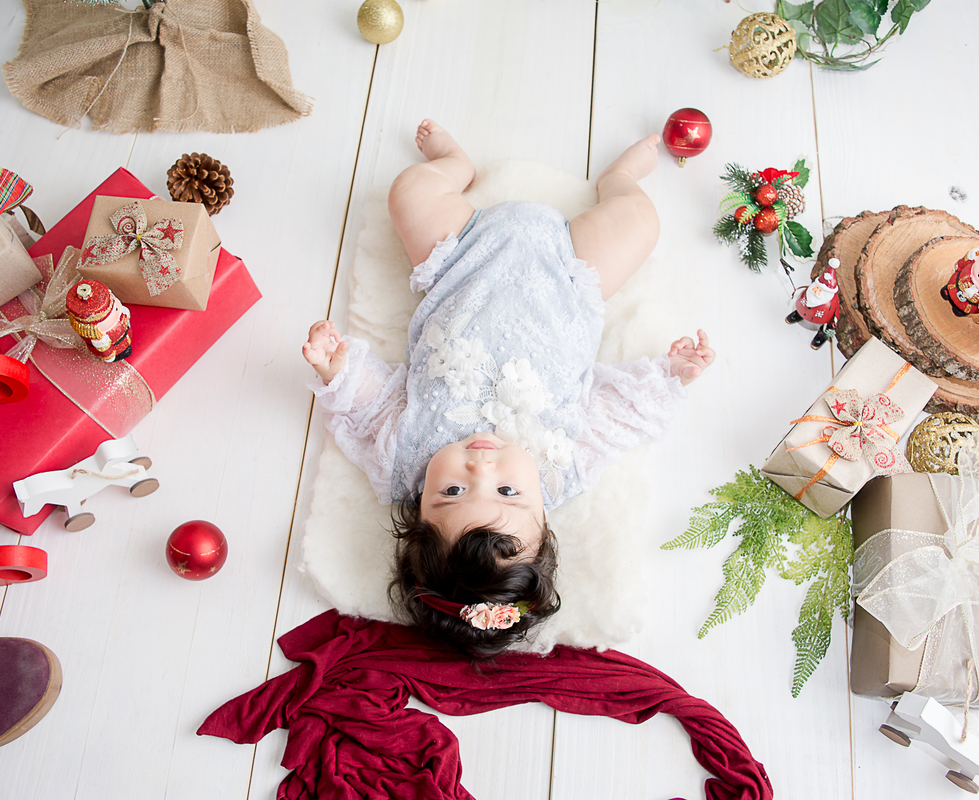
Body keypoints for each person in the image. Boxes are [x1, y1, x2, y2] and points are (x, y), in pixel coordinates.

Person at [302, 121, 714, 656]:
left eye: (451, 493)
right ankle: (620, 180)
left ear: (418, 510)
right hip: (572, 273)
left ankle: (455, 163)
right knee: (640, 221)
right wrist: (668, 374)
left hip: (456, 257)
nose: (481, 469)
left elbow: (368, 406)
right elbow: (617, 415)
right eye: (507, 493)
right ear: (543, 518)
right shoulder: (562, 468)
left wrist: (338, 370)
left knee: (409, 191)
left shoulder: (403, 460)